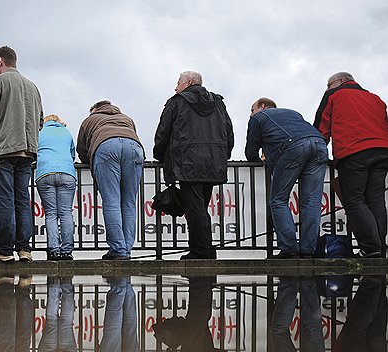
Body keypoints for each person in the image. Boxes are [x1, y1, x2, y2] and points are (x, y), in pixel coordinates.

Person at [153, 71, 234, 260]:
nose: (175, 87)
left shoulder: (176, 102)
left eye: (178, 83)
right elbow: (228, 132)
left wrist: (159, 155)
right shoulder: (218, 103)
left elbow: (163, 132)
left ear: (188, 83)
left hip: (187, 161)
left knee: (195, 209)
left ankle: (200, 252)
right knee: (200, 207)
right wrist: (223, 155)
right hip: (213, 161)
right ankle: (205, 249)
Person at [0, 46, 43, 262]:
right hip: (27, 151)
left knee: (4, 200)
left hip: (2, 149)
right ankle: (24, 249)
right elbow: (40, 120)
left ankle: (4, 250)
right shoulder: (32, 87)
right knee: (22, 199)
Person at [313, 72, 388, 258]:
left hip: (353, 151)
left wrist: (318, 152)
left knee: (354, 200)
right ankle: (380, 247)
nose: (327, 89)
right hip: (382, 150)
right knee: (376, 200)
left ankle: (371, 247)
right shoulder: (375, 98)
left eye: (328, 84)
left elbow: (321, 128)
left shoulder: (334, 95)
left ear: (340, 82)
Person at [246, 98, 329, 258]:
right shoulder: (293, 113)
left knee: (278, 200)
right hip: (319, 145)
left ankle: (289, 248)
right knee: (312, 202)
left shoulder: (258, 118)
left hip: (293, 148)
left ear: (262, 107)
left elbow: (251, 151)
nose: (251, 114)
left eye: (252, 110)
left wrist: (260, 160)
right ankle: (308, 250)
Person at [78, 100, 145, 260]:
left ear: (94, 110)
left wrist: (88, 162)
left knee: (111, 201)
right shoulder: (126, 118)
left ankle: (118, 249)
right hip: (134, 148)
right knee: (129, 201)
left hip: (106, 147)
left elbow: (81, 148)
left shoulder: (90, 120)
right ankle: (126, 249)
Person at [35, 115, 76, 260]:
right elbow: (72, 155)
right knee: (65, 212)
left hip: (45, 173)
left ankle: (54, 250)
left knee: (51, 213)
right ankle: (67, 251)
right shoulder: (66, 132)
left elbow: (34, 152)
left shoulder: (38, 131)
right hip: (66, 172)